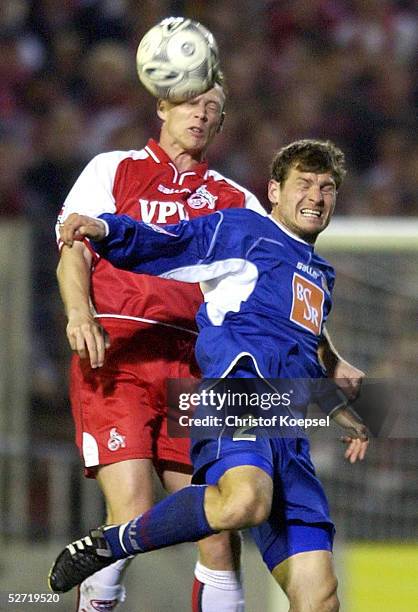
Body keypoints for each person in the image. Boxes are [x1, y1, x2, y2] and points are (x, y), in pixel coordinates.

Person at [50, 139, 369, 612]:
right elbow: (171, 242)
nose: (316, 197)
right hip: (235, 397)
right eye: (303, 184)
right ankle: (114, 542)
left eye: (326, 188)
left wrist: (343, 413)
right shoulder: (245, 230)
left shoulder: (321, 275)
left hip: (288, 429)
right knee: (242, 505)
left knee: (320, 598)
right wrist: (104, 227)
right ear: (274, 192)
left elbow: (300, 348)